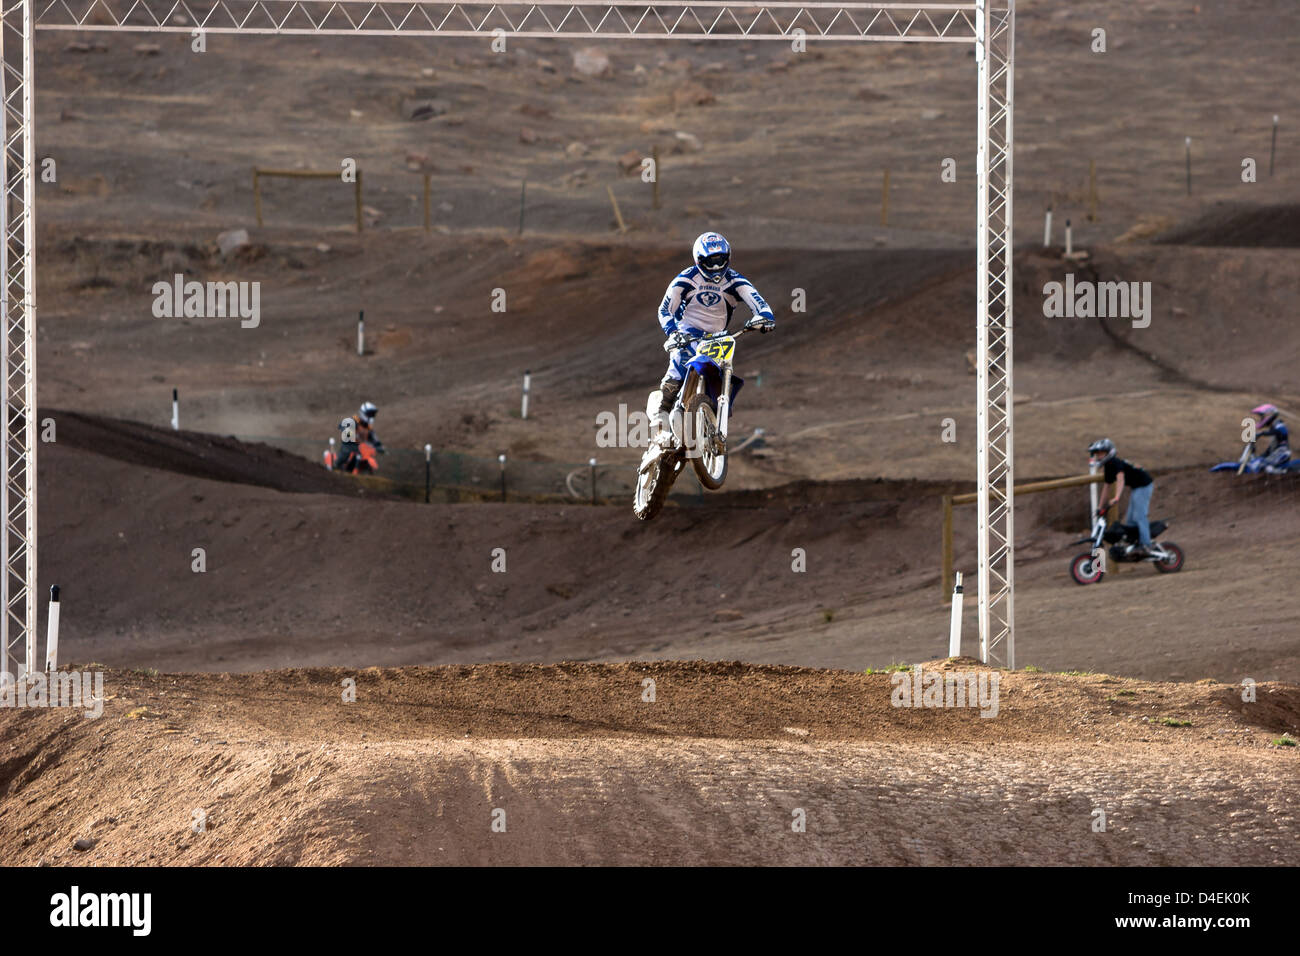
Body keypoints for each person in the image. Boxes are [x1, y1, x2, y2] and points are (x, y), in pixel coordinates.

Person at [648, 233, 775, 437]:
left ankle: (710, 416)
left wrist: (764, 318)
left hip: (718, 336)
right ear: (699, 260)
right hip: (687, 332)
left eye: (720, 261)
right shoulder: (685, 279)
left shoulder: (735, 280)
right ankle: (662, 408)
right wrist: (673, 333)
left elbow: (759, 303)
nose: (716, 267)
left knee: (722, 368)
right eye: (710, 262)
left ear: (728, 257)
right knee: (681, 360)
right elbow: (664, 310)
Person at [1089, 438, 1162, 558]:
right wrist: (1099, 507)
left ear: (1108, 452)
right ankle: (1136, 545)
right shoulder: (1108, 467)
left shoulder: (1115, 463)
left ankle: (1146, 544)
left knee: (1139, 516)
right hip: (1136, 487)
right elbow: (1106, 488)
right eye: (1096, 454)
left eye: (1100, 453)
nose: (1098, 456)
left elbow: (1120, 479)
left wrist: (1117, 497)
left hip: (1144, 485)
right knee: (1130, 520)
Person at [334, 401, 383, 473]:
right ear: (364, 413)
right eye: (370, 414)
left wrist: (379, 446)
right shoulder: (356, 420)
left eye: (373, 414)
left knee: (366, 453)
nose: (371, 416)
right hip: (350, 445)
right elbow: (345, 424)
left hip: (361, 448)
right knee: (345, 454)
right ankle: (336, 466)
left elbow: (374, 438)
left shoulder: (368, 427)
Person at [1251, 403, 1290, 473]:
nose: (1261, 419)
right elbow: (1271, 447)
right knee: (1258, 462)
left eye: (1262, 416)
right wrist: (1261, 456)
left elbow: (1281, 431)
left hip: (1282, 453)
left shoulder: (1279, 424)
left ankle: (1282, 474)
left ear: (1269, 414)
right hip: (1276, 453)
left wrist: (1262, 433)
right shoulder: (1274, 427)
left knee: (1266, 468)